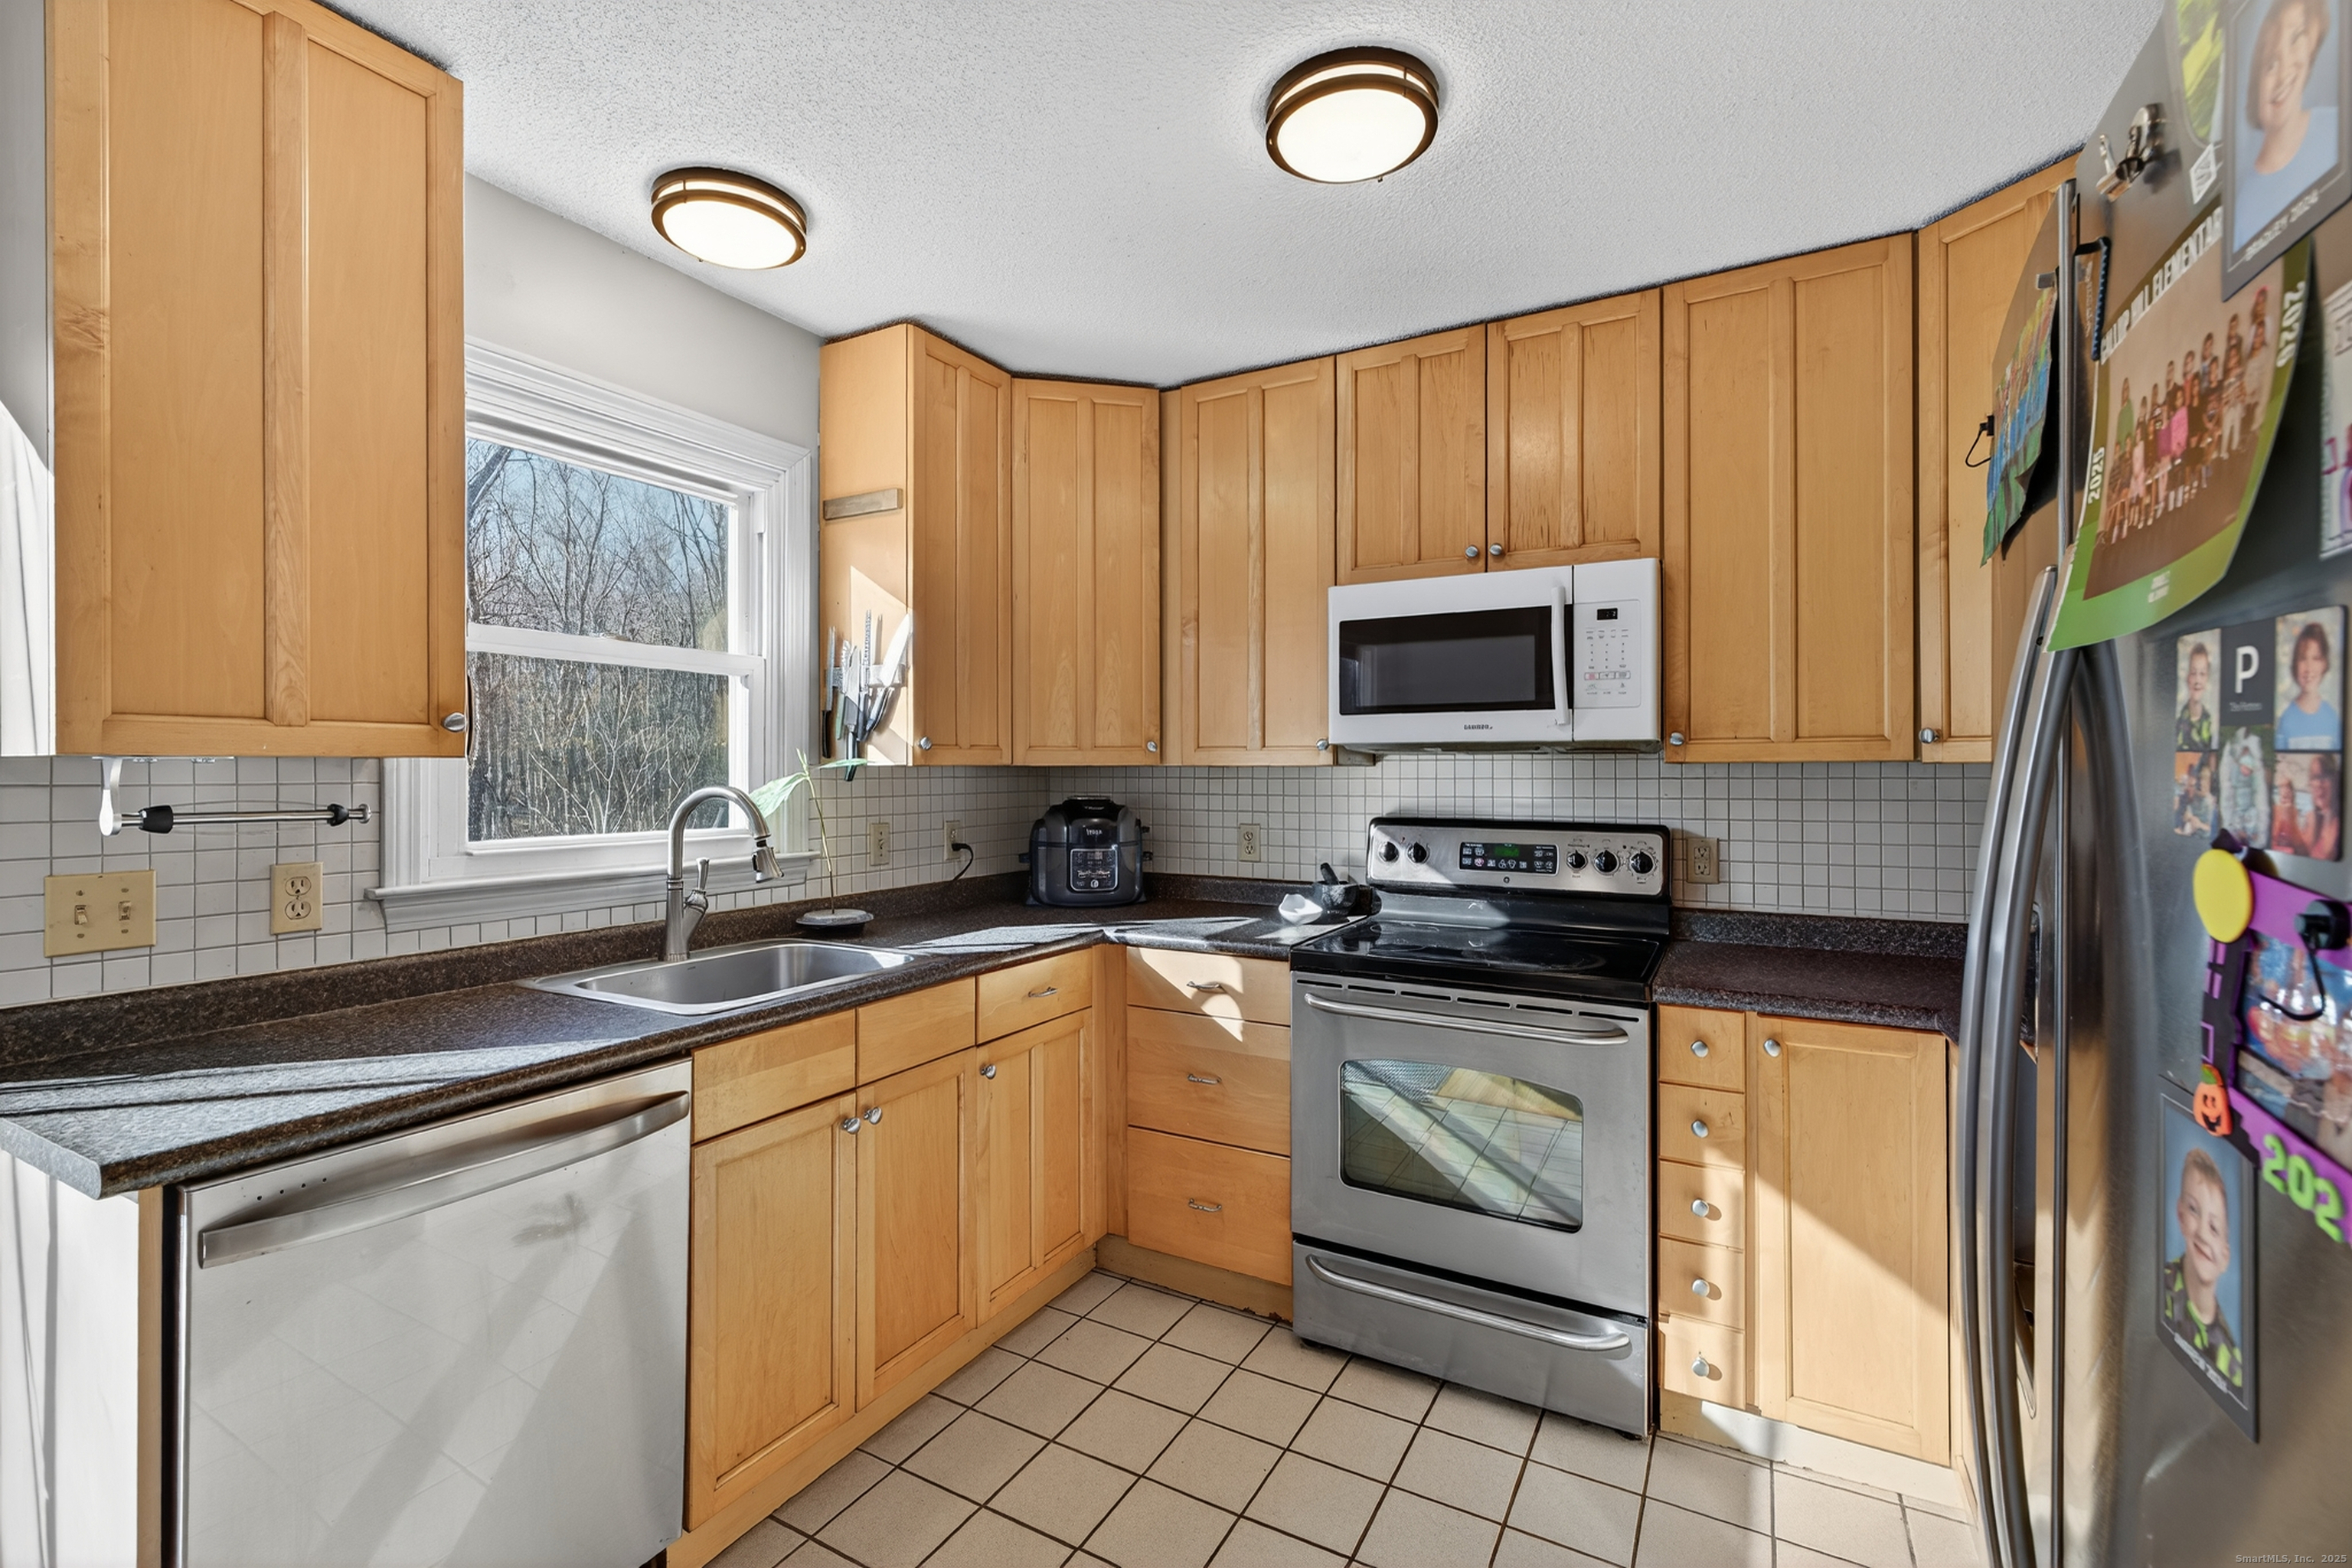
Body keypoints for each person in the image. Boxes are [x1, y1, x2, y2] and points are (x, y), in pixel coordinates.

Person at [2236, 0, 2339, 245]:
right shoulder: (2242, 215)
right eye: (2270, 64)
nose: (2284, 74)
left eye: (2296, 38)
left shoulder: (2340, 127)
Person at [2162, 1145, 2244, 1389]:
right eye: (2194, 1211)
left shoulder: (2233, 1362)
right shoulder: (2158, 1287)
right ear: (2180, 1215)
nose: (2203, 1235)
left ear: (2226, 1256)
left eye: (2215, 1228)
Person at [2277, 619, 2341, 750]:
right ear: (2295, 664)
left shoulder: (2333, 718)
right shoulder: (2286, 720)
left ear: (2324, 664)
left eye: (2316, 658)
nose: (2309, 668)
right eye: (2303, 659)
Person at [2178, 640, 2218, 749]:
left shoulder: (2212, 727)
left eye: (2202, 674)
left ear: (2207, 679)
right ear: (2188, 677)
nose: (2197, 681)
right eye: (2193, 673)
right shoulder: (2176, 725)